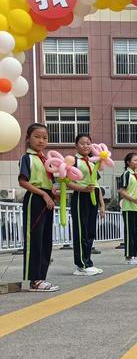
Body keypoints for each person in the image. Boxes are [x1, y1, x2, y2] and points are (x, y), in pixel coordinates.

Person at [18, 123, 59, 292]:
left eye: (45, 137)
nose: (41, 140)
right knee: (34, 239)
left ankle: (42, 277)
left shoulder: (47, 160)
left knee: (45, 240)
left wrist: (54, 191)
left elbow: (51, 182)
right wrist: (43, 194)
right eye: (37, 136)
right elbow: (23, 181)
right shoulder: (27, 158)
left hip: (47, 199)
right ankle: (34, 280)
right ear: (28, 138)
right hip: (35, 198)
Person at [68, 133, 105, 276]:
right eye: (82, 143)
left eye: (88, 143)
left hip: (93, 196)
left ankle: (88, 262)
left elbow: (96, 184)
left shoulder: (92, 162)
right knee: (81, 230)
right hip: (80, 196)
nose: (86, 146)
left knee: (90, 231)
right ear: (76, 145)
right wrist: (82, 189)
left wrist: (102, 205)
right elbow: (66, 181)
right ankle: (81, 264)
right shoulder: (73, 161)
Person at [118, 153, 137, 265]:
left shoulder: (136, 175)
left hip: (136, 208)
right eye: (135, 160)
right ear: (128, 162)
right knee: (129, 232)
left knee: (136, 233)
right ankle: (128, 257)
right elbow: (122, 191)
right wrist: (133, 200)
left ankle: (134, 256)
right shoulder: (126, 174)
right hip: (128, 208)